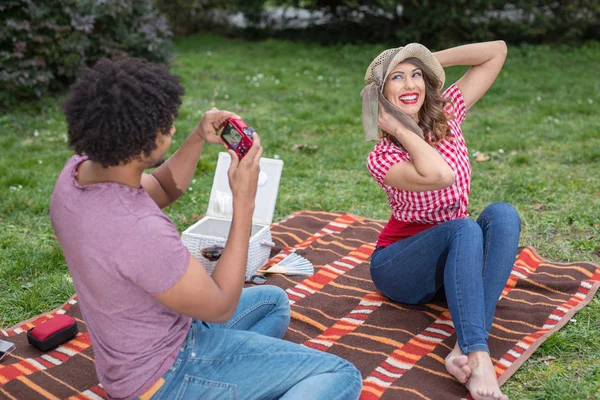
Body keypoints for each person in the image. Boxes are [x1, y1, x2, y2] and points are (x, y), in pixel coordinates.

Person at [50, 57, 362, 400]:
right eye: (167, 123)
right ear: (143, 140)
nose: (172, 125)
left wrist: (198, 136)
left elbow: (165, 189)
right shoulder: (142, 231)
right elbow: (221, 305)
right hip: (167, 376)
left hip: (140, 355)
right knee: (340, 374)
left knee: (273, 302)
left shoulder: (75, 176)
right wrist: (244, 202)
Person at [363, 41, 520, 400]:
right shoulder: (382, 156)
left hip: (454, 262)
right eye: (397, 78)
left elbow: (496, 51)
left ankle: (460, 349)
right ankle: (478, 356)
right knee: (463, 227)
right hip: (400, 266)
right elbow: (440, 175)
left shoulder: (447, 113)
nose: (410, 85)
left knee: (503, 215)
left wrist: (428, 60)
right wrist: (403, 130)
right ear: (381, 95)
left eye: (416, 75)